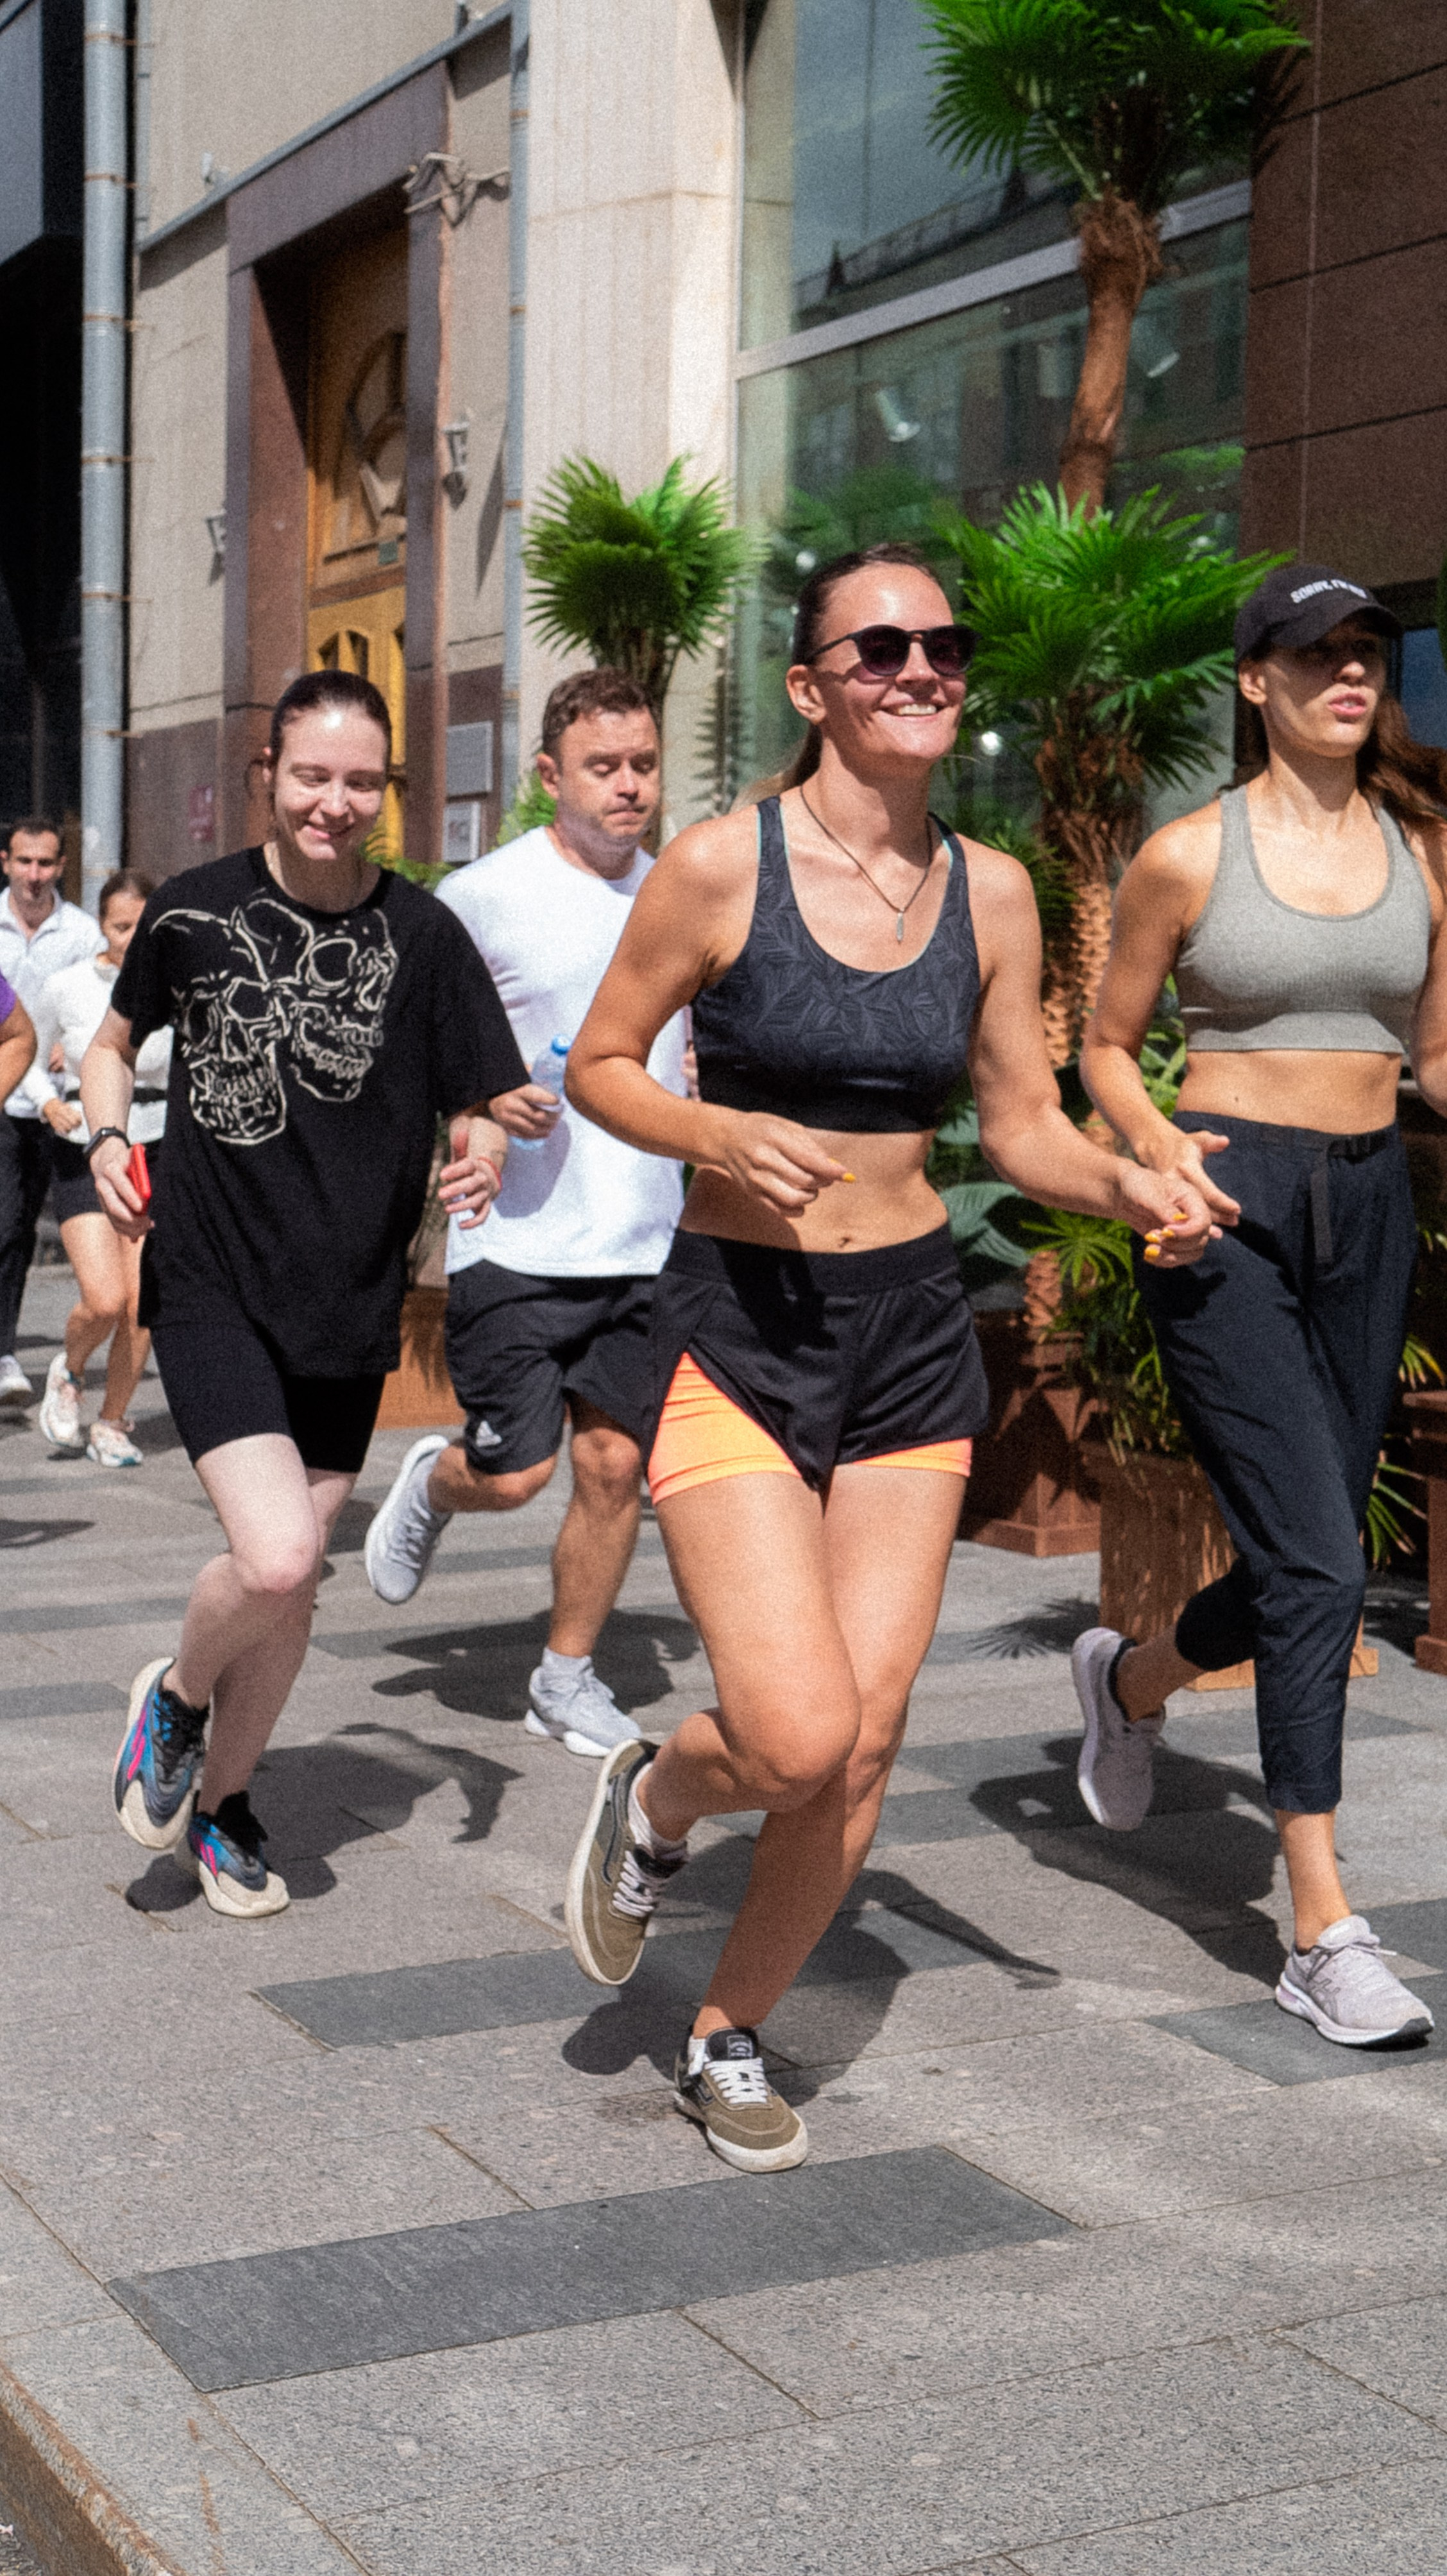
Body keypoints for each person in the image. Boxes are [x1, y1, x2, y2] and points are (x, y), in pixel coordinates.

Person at [558, 541, 1215, 2171]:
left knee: (861, 1735)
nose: (921, 667)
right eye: (880, 647)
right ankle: (656, 1801)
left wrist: (1126, 1182)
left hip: (914, 1335)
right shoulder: (720, 865)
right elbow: (599, 1065)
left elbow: (1015, 1125)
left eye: (942, 645)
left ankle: (727, 2031)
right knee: (783, 1730)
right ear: (812, 687)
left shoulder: (991, 888)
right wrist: (712, 1122)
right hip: (739, 1325)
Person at [1075, 561, 1447, 2049]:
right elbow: (1106, 1045)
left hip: (1370, 1200)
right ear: (1255, 684)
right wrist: (1155, 1145)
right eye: (1314, 655)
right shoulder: (1185, 853)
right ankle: (1319, 1919)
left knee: (1313, 1554)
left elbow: (1431, 1059)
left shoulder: (1425, 848)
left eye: (1366, 652)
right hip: (1223, 1206)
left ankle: (1132, 1674)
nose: (1346, 674)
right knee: (1318, 1562)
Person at [84, 670, 525, 1917]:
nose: (335, 802)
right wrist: (110, 1142)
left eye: (360, 782)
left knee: (298, 1577)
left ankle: (221, 1807)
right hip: (215, 1275)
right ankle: (173, 1695)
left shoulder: (425, 938)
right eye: (312, 775)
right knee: (275, 1557)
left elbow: (478, 1092)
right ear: (267, 772)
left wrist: (482, 1144)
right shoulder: (191, 913)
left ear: (385, 792)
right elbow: (112, 1043)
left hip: (350, 1297)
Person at [364, 669, 688, 1759]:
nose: (630, 785)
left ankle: (565, 1677)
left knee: (612, 1471)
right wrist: (479, 1109)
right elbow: (416, 1051)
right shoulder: (482, 898)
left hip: (645, 1236)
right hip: (518, 1235)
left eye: (643, 762)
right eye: (604, 766)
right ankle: (438, 1481)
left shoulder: (684, 891)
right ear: (550, 776)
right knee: (519, 1471)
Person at [30, 869, 171, 1465]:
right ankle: (71, 1369)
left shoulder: (176, 983)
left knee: (143, 1303)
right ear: (100, 925)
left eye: (142, 927)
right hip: (86, 1148)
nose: (131, 939)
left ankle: (112, 1422)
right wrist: (50, 1100)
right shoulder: (67, 986)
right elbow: (28, 1051)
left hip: (157, 1147)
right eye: (119, 927)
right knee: (106, 1298)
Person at [0, 818, 99, 1405]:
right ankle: (5, 1351)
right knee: (6, 1223)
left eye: (45, 864)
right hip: (9, 1095)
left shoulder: (82, 934)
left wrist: (75, 1042)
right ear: (6, 862)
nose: (34, 876)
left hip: (61, 1106)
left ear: (61, 867)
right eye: (24, 862)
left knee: (22, 1229)